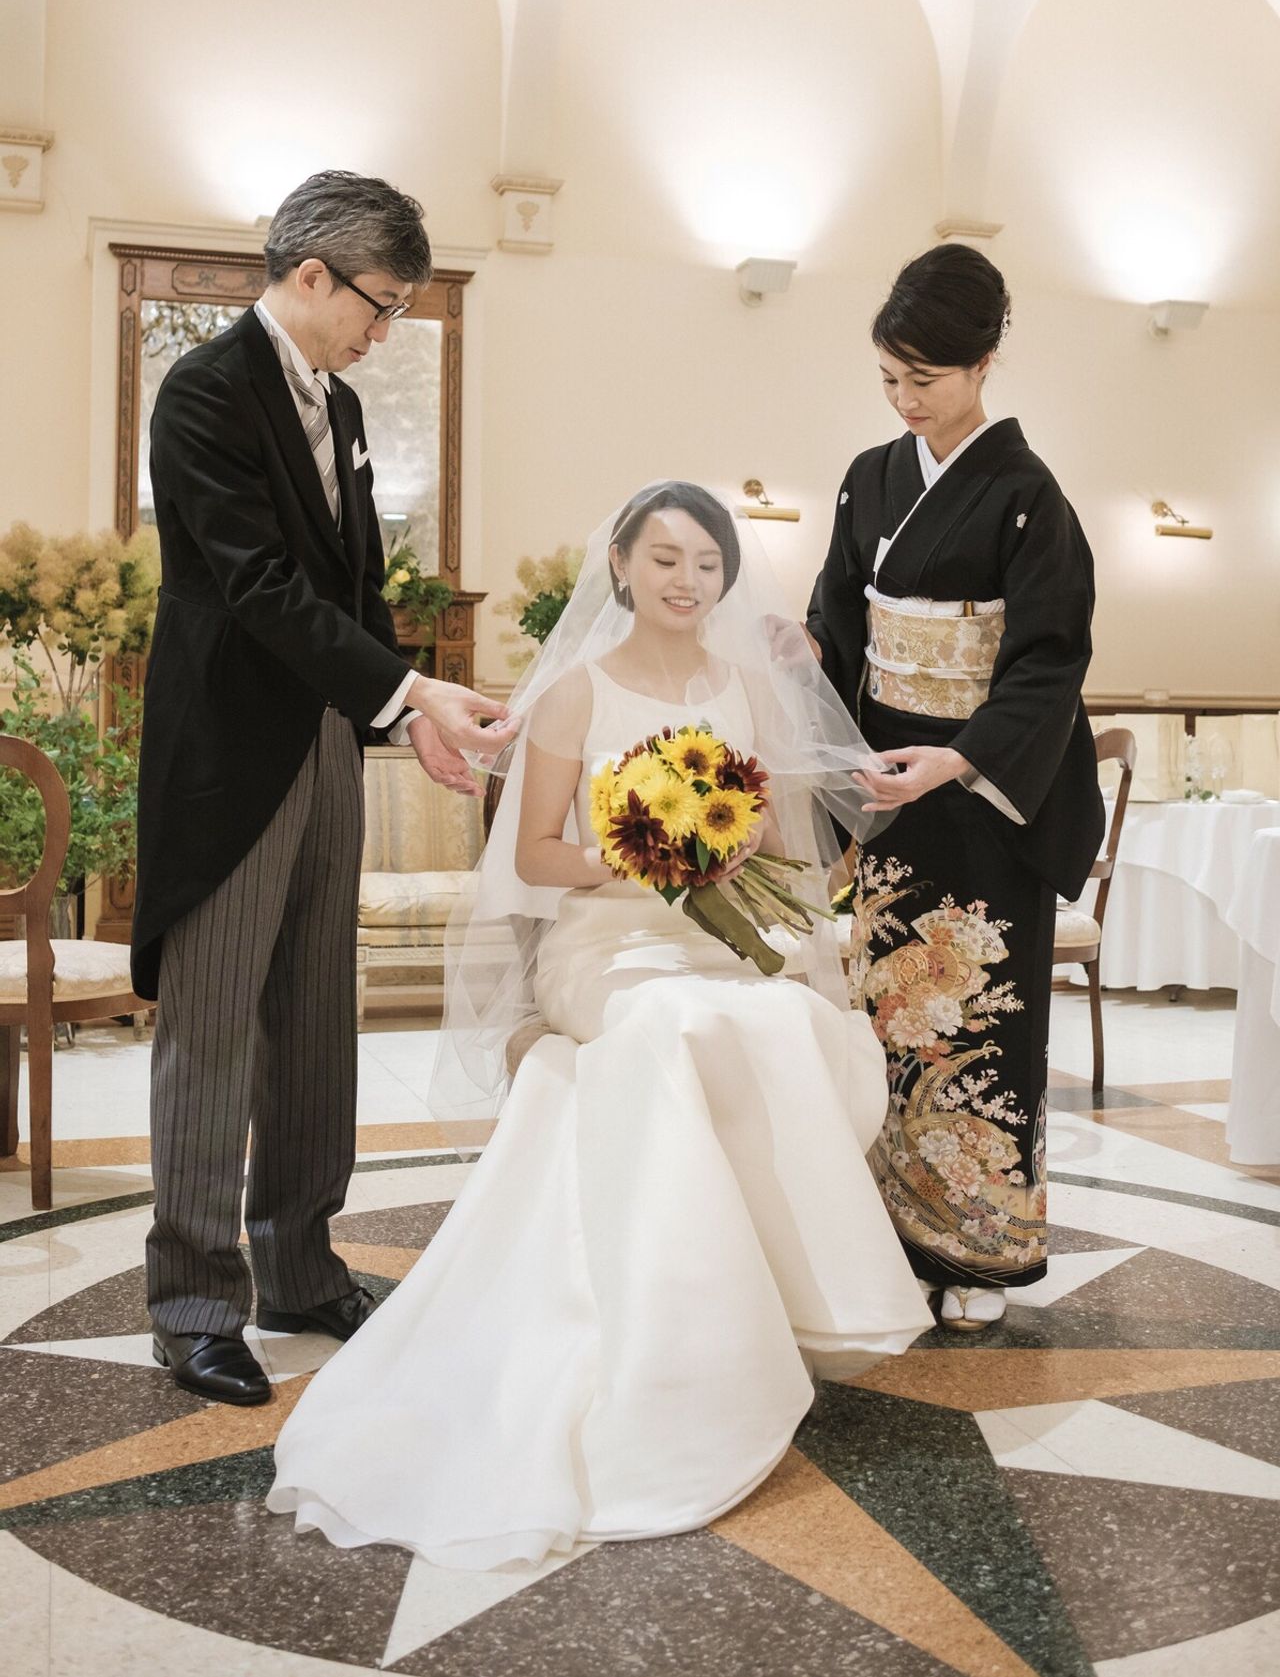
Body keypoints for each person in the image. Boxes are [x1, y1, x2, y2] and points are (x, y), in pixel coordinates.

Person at [267, 481, 932, 1569]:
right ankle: (676, 1330)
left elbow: (778, 844)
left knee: (775, 1017)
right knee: (675, 1022)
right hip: (603, 946)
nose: (687, 581)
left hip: (717, 939)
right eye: (664, 559)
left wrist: (736, 850)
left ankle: (777, 1314)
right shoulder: (576, 692)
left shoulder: (747, 690)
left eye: (707, 564)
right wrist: (642, 852)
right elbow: (532, 857)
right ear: (620, 563)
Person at [133, 171, 517, 1408]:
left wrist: (401, 721)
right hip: (225, 755)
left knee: (312, 1021)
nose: (383, 331)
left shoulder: (340, 406)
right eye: (379, 303)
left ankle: (298, 1267)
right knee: (211, 1028)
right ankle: (194, 1305)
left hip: (323, 744)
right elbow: (254, 585)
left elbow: (354, 591)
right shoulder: (202, 392)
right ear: (311, 274)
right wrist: (409, 689)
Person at [807, 244, 1105, 1330]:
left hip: (979, 796)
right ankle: (885, 1240)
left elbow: (1047, 661)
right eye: (889, 378)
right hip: (886, 784)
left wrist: (961, 757)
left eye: (924, 379)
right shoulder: (868, 476)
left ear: (983, 364)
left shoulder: (1028, 497)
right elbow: (838, 617)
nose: (904, 400)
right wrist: (806, 665)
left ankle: (979, 1250)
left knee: (979, 1023)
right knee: (884, 1021)